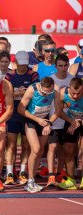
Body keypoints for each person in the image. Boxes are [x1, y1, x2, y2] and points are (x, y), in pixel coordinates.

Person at [17, 77, 60, 192]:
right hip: (31, 120)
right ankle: (29, 181)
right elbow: (20, 109)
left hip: (44, 121)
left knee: (40, 151)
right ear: (40, 86)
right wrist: (37, 119)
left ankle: (33, 180)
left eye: (48, 92)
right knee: (35, 149)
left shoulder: (55, 90)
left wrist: (49, 123)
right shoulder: (32, 90)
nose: (46, 95)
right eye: (44, 92)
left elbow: (58, 110)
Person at [4, 51, 40, 185]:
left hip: (27, 115)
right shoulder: (9, 76)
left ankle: (22, 172)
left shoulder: (33, 74)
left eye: (25, 64)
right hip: (13, 115)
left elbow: (36, 91)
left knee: (26, 144)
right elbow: (5, 92)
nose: (23, 67)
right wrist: (15, 92)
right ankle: (9, 173)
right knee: (11, 145)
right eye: (21, 64)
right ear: (16, 63)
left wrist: (20, 92)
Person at [47, 54, 73, 187]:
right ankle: (51, 175)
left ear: (68, 65)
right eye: (60, 66)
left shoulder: (73, 80)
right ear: (55, 66)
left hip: (69, 119)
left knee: (64, 149)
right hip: (54, 118)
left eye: (65, 65)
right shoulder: (50, 80)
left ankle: (59, 173)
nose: (63, 68)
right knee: (52, 147)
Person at [58, 78, 83, 190]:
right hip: (71, 120)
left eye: (78, 94)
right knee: (67, 149)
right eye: (73, 93)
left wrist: (80, 122)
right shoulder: (63, 93)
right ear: (69, 89)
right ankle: (71, 180)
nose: (75, 96)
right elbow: (58, 112)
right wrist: (71, 121)